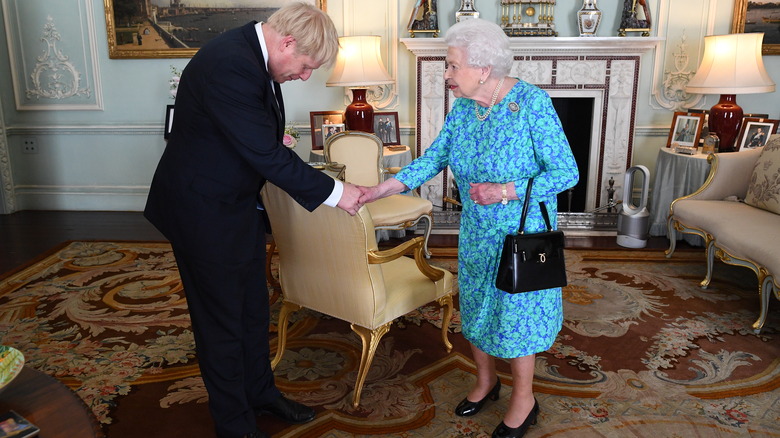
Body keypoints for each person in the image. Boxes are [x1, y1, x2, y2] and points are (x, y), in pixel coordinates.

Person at [144, 4, 365, 438]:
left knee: (251, 310)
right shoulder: (229, 63)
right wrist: (339, 194)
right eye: (305, 67)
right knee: (222, 323)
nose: (304, 77)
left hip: (235, 204)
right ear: (286, 43)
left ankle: (262, 395)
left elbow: (258, 141)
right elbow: (265, 153)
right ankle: (235, 425)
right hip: (201, 211)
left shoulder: (252, 53)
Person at [360, 18, 578, 438]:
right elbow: (434, 157)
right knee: (477, 308)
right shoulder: (463, 108)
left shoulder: (532, 103)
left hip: (522, 233)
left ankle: (524, 399)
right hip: (477, 231)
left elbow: (566, 173)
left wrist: (504, 191)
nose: (446, 74)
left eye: (452, 65)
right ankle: (485, 381)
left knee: (517, 317)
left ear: (483, 68)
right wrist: (382, 187)